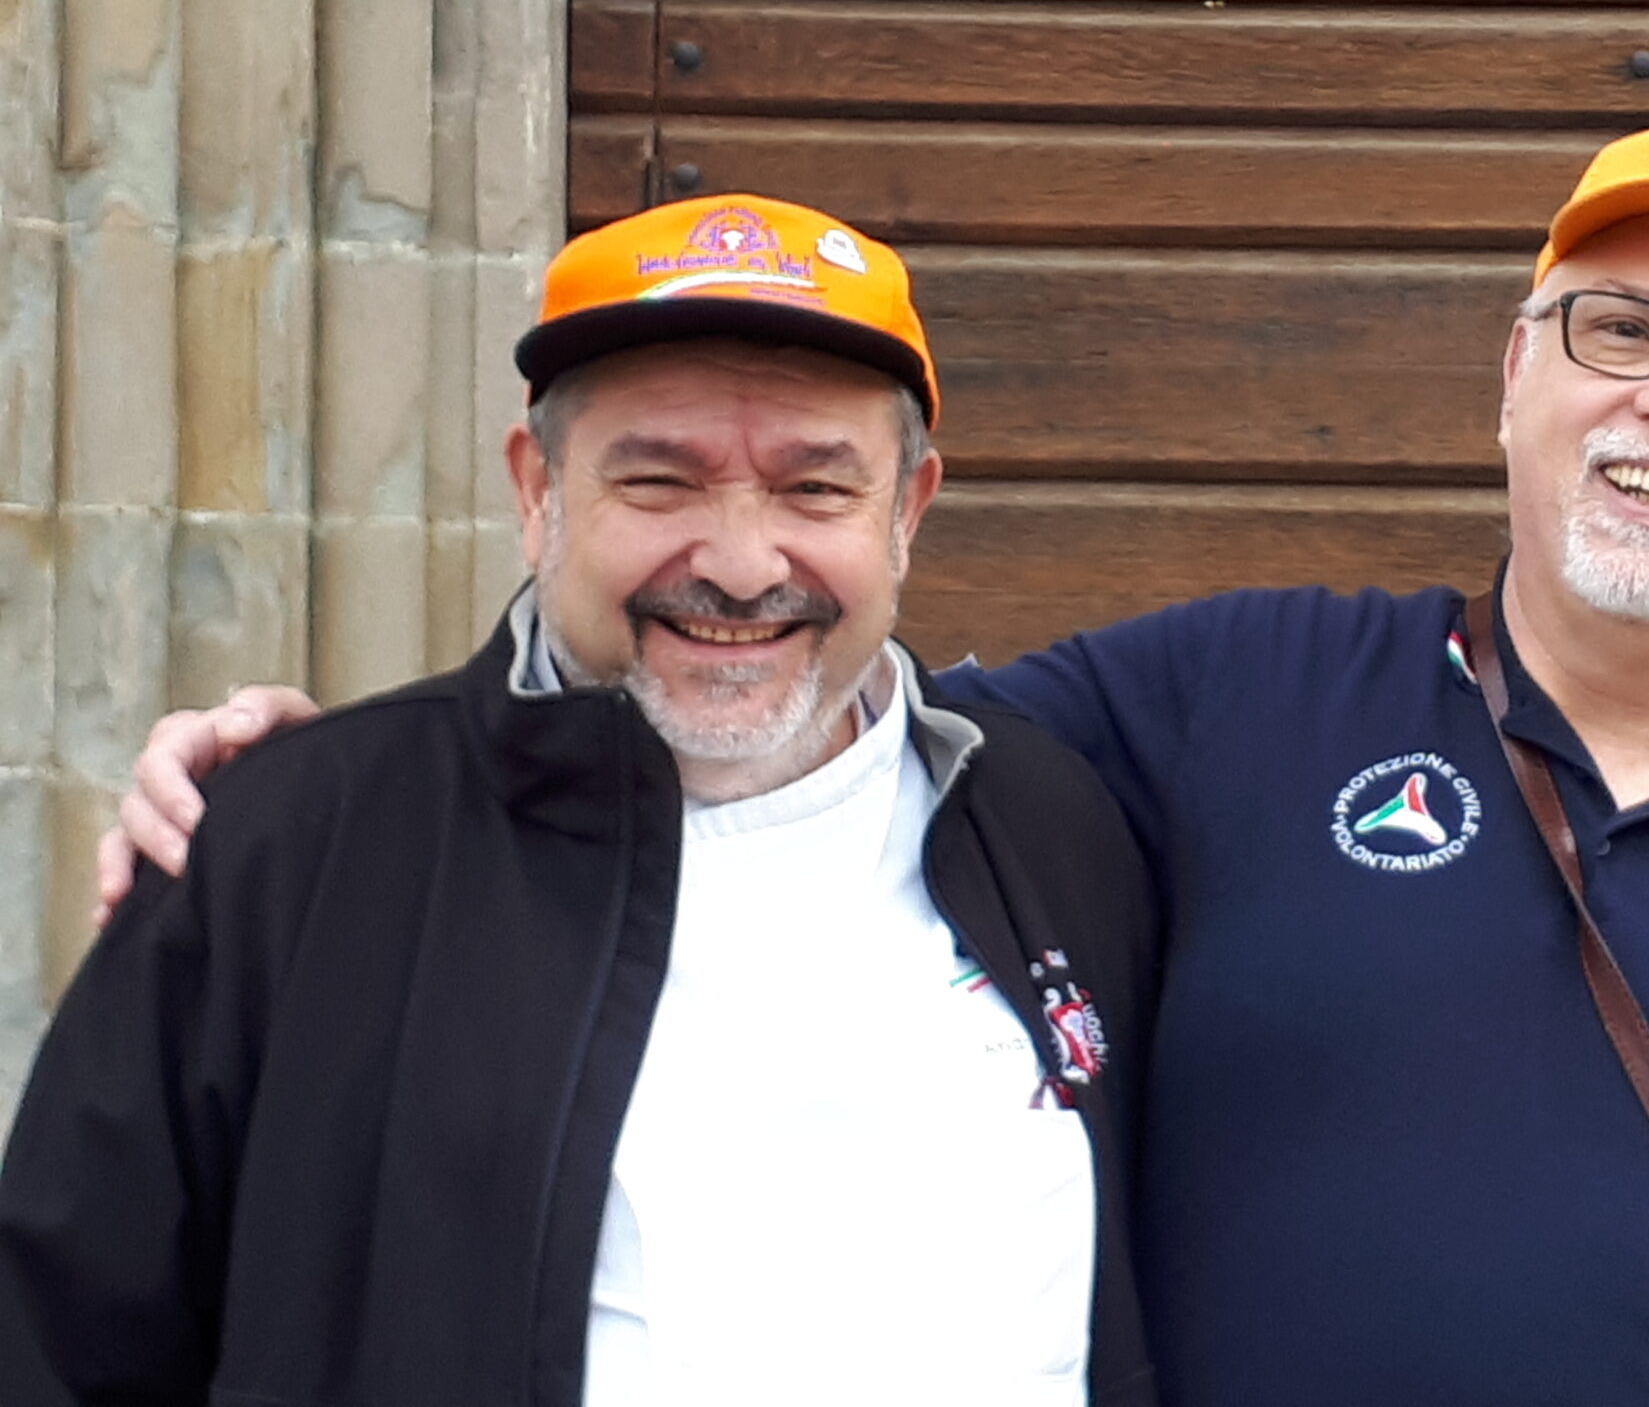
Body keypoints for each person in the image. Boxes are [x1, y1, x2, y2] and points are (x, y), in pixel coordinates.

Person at [100, 114, 1649, 1403]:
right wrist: (350, 787)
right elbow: (770, 705)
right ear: (1516, 375)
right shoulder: (1236, 701)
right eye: (1619, 332)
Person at [8, 196, 1162, 1406]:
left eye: (816, 490)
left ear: (907, 511)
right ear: (537, 491)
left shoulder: (1047, 826)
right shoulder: (292, 851)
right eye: (660, 481)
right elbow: (61, 1345)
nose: (741, 564)